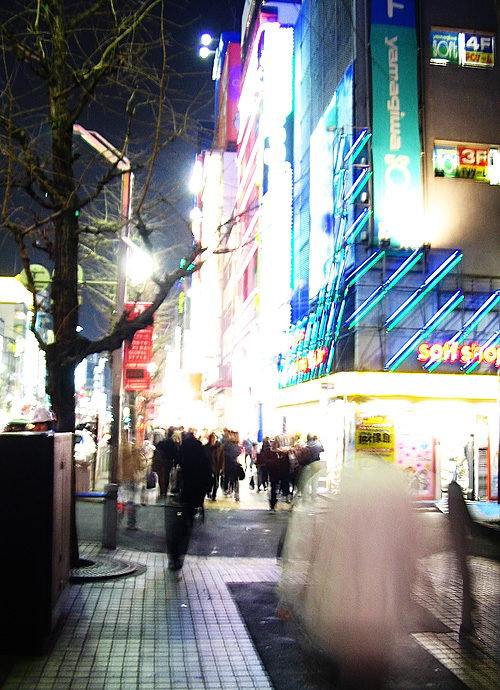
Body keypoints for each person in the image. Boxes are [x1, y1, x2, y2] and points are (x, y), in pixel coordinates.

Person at [278, 460, 417, 690]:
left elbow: (299, 556)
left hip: (335, 616)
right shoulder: (393, 509)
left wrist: (288, 597)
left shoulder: (322, 506)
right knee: (371, 677)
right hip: (380, 617)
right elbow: (409, 560)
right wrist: (404, 601)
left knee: (341, 676)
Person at [153, 426, 179, 497]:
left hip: (161, 461)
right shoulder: (173, 444)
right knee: (167, 475)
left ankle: (162, 490)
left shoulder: (161, 443)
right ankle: (165, 490)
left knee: (161, 476)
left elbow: (157, 451)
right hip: (168, 462)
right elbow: (175, 453)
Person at [298, 433, 324, 500]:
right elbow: (322, 449)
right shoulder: (318, 445)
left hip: (307, 465)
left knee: (306, 481)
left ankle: (306, 497)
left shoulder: (304, 446)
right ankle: (313, 497)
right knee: (315, 482)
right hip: (316, 464)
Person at [205, 432, 225, 501]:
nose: (213, 440)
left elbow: (222, 458)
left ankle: (214, 495)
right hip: (208, 468)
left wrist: (222, 467)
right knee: (209, 482)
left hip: (216, 468)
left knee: (216, 483)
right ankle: (208, 492)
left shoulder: (219, 447)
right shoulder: (206, 447)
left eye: (214, 439)